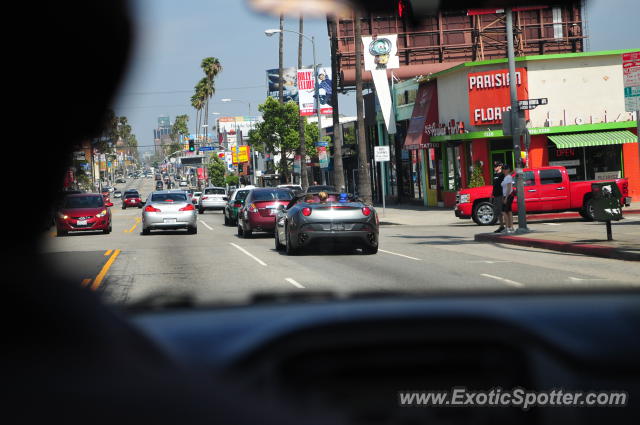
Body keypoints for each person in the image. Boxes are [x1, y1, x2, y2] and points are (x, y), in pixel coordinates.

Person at [491, 161, 506, 233]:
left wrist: (504, 196)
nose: (494, 167)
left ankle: (507, 226)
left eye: (496, 166)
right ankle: (501, 226)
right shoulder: (495, 175)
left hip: (501, 195)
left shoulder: (502, 175)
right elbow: (494, 186)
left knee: (503, 211)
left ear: (500, 166)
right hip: (495, 195)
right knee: (498, 212)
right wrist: (492, 195)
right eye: (494, 166)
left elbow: (504, 186)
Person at [501, 164, 515, 233]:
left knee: (504, 211)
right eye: (503, 169)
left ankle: (507, 227)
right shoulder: (506, 177)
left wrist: (506, 198)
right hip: (506, 195)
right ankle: (511, 227)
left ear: (508, 169)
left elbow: (509, 188)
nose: (504, 170)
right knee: (509, 211)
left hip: (508, 195)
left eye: (505, 169)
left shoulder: (508, 177)